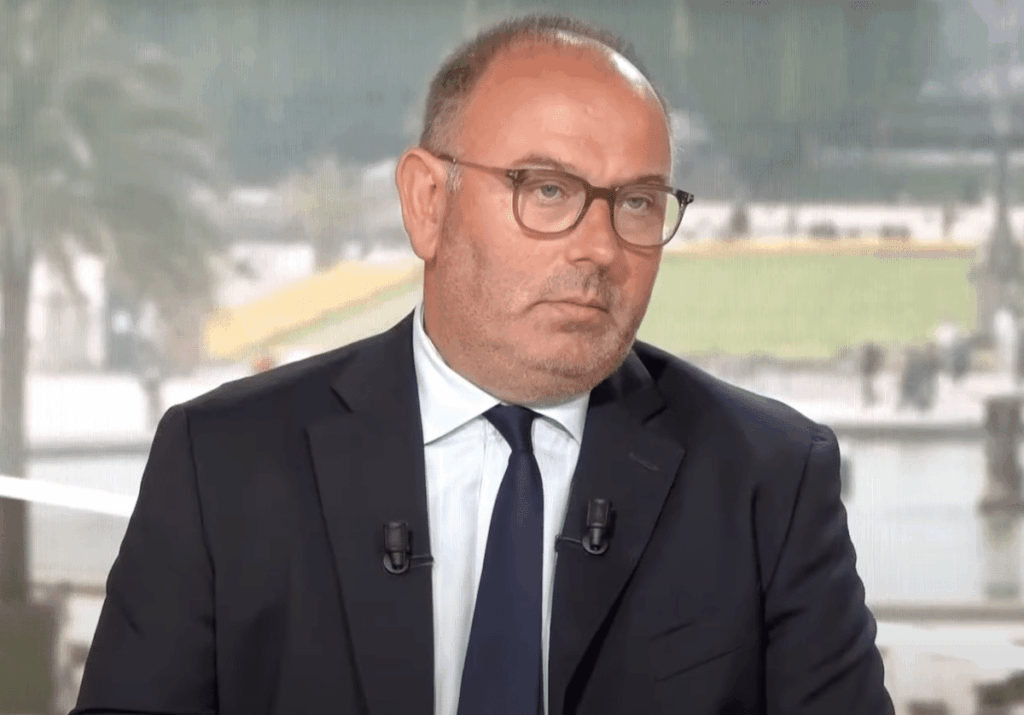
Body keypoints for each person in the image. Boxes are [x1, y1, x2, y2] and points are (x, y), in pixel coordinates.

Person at [72, 14, 893, 715]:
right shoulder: (222, 464)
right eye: (548, 191)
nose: (601, 248)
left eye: (639, 202)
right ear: (428, 203)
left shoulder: (769, 480)